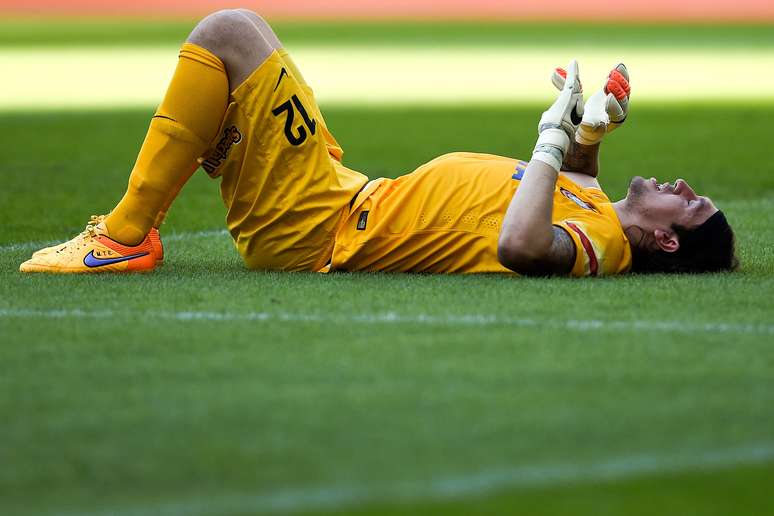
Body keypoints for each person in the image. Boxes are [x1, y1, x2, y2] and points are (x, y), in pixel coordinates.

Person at [19, 9, 737, 276]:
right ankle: (222, 138)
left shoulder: (605, 248)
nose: (681, 184)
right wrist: (585, 134)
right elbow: (567, 195)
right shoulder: (599, 216)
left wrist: (550, 140)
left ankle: (122, 237)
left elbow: (521, 244)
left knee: (229, 34)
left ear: (668, 243)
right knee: (239, 62)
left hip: (321, 229)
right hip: (342, 193)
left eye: (691, 204)